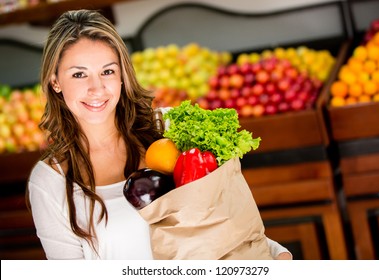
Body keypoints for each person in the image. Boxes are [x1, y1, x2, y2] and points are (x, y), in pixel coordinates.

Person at [27, 9, 292, 260]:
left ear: (122, 75)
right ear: (55, 82)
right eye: (79, 74)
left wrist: (271, 251)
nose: (96, 88)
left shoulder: (167, 129)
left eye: (107, 71)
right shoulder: (49, 183)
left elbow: (222, 215)